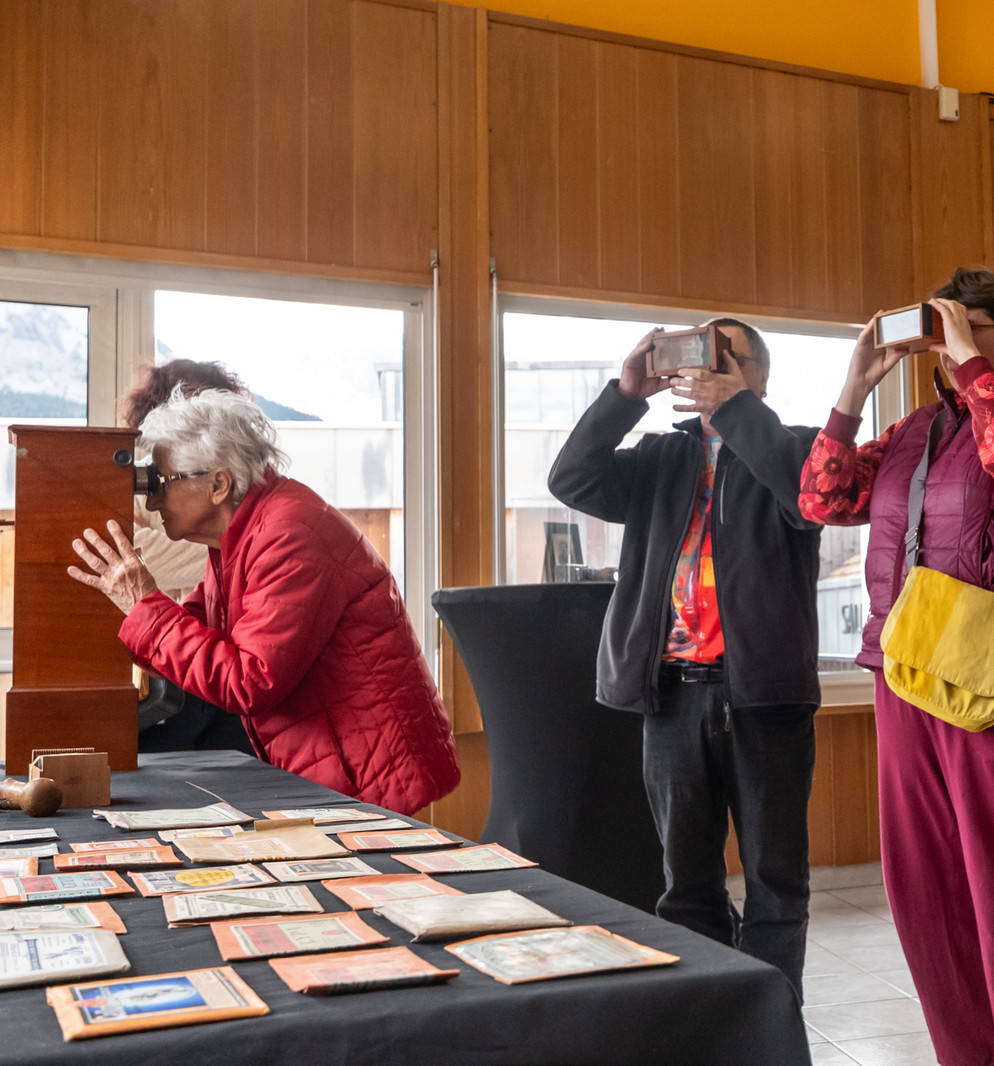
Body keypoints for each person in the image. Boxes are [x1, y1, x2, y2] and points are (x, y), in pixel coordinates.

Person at [800, 268, 994, 1066]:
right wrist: (854, 389)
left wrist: (971, 362)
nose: (939, 346)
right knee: (925, 893)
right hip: (906, 669)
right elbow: (823, 501)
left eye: (960, 327)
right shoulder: (916, 428)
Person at [547, 318, 821, 997]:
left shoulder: (802, 449)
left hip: (767, 698)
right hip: (673, 694)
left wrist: (736, 412)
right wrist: (626, 393)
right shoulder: (657, 458)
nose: (710, 364)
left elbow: (808, 502)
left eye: (728, 355)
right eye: (703, 351)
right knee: (686, 883)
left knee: (775, 882)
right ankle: (711, 1023)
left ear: (760, 374)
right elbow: (571, 480)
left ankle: (770, 1026)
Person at [66, 388, 460, 815]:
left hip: (367, 773)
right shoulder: (241, 536)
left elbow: (248, 682)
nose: (152, 499)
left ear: (218, 484)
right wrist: (125, 610)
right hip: (332, 763)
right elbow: (195, 633)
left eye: (161, 482)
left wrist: (144, 605)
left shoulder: (289, 535)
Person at [120, 359, 254, 753]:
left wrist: (214, 540)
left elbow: (160, 558)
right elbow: (132, 558)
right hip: (169, 674)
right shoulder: (153, 469)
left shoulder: (236, 489)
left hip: (221, 662)